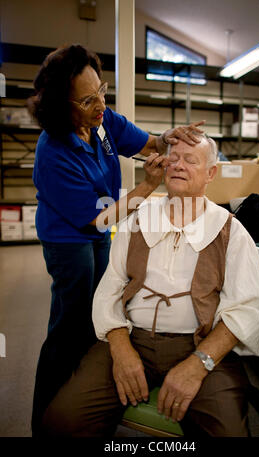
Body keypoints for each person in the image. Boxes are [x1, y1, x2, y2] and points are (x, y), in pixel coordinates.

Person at [41, 133, 259, 437]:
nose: (178, 165)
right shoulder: (137, 220)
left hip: (201, 345)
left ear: (210, 174)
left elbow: (249, 307)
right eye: (173, 157)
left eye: (191, 160)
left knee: (229, 432)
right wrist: (121, 351)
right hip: (130, 338)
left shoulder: (230, 231)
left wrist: (199, 363)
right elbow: (109, 290)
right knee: (62, 421)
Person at [28, 43, 205, 434]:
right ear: (62, 105)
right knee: (69, 324)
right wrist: (147, 188)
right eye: (88, 99)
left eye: (102, 91)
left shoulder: (102, 121)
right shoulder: (53, 151)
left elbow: (148, 144)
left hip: (99, 227)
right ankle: (46, 420)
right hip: (69, 237)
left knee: (100, 311)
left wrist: (169, 139)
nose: (100, 104)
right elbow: (97, 218)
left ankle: (85, 397)